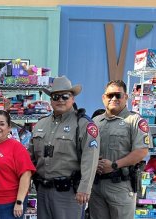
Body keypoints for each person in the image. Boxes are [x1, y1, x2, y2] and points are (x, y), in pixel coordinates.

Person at [29, 75, 100, 219]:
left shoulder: (83, 124)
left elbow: (90, 159)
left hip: (69, 193)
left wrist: (85, 188)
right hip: (42, 190)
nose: (60, 100)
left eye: (65, 96)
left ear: (72, 98)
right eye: (56, 97)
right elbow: (29, 157)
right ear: (51, 100)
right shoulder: (41, 124)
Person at [89, 80, 152, 219]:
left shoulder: (135, 121)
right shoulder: (95, 122)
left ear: (126, 97)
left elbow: (141, 151)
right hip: (96, 186)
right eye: (110, 95)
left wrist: (114, 165)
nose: (113, 99)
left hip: (120, 186)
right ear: (103, 98)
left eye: (118, 95)